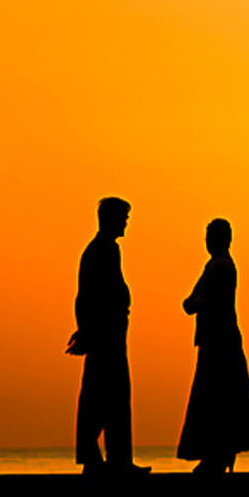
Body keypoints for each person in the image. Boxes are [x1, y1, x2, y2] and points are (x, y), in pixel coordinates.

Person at [175, 219, 249, 474]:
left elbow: (196, 301)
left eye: (211, 236)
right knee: (225, 397)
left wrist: (194, 302)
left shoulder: (219, 267)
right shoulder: (220, 265)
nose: (207, 241)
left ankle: (216, 455)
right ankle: (220, 453)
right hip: (221, 338)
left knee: (215, 398)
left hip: (218, 340)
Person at [70, 197, 147, 477]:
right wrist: (87, 331)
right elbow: (89, 296)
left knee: (104, 397)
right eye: (124, 217)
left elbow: (84, 297)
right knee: (106, 396)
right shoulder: (103, 250)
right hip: (107, 336)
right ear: (112, 218)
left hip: (108, 334)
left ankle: (111, 460)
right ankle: (108, 461)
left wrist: (85, 330)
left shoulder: (100, 250)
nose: (126, 222)